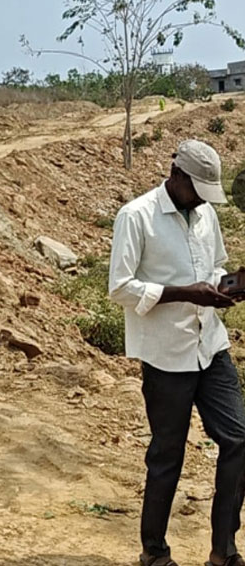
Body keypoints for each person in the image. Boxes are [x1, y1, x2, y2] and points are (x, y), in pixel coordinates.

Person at [109, 140, 245, 566]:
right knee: (168, 453)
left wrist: (228, 286)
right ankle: (154, 552)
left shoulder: (205, 214)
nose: (203, 199)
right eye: (198, 188)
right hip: (167, 353)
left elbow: (213, 269)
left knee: (239, 438)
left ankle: (223, 550)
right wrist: (185, 293)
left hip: (210, 343)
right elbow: (120, 287)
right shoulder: (137, 216)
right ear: (178, 175)